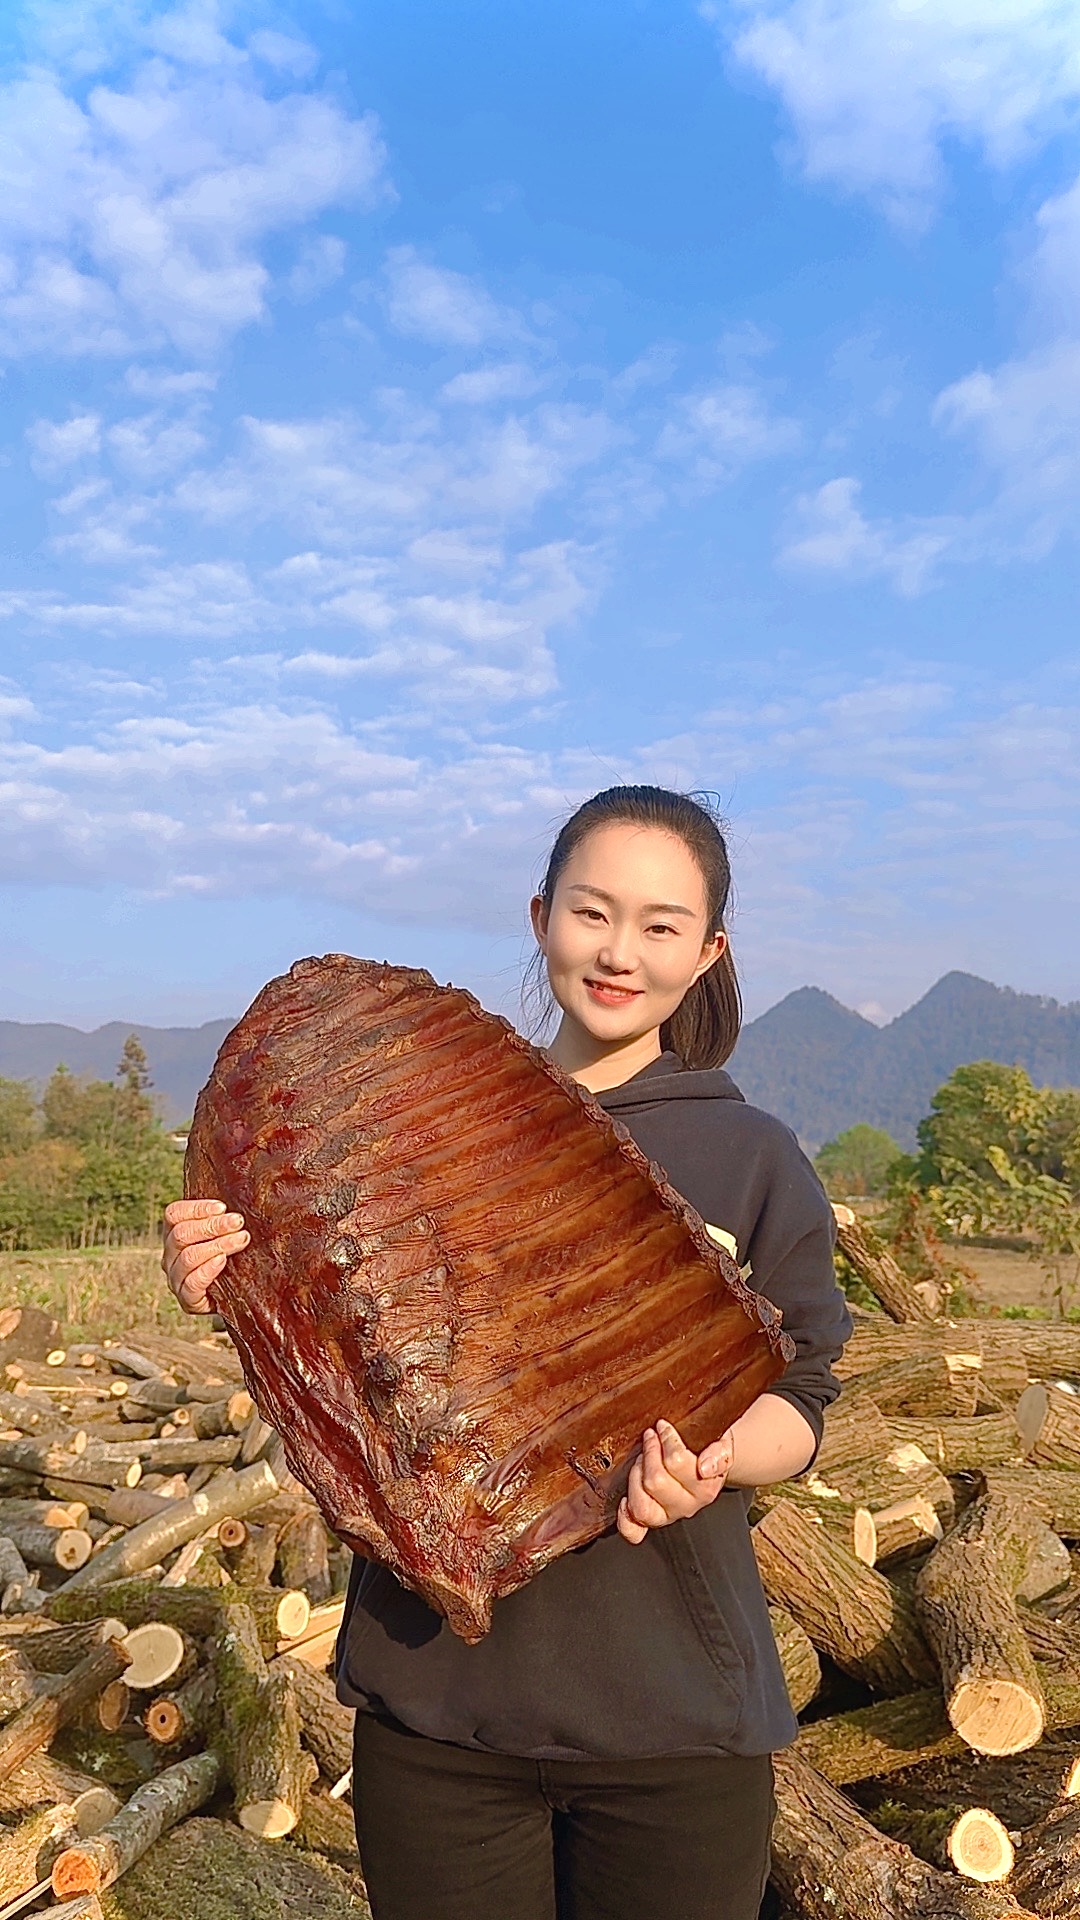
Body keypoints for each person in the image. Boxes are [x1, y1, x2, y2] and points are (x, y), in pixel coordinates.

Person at [163, 784, 852, 1920]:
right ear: (541, 918)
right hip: (436, 1712)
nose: (619, 950)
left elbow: (805, 1394)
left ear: (709, 951)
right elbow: (350, 1367)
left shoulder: (751, 1155)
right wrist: (230, 1278)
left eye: (660, 925)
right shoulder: (405, 1120)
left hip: (673, 1723)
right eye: (592, 913)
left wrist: (721, 1457)